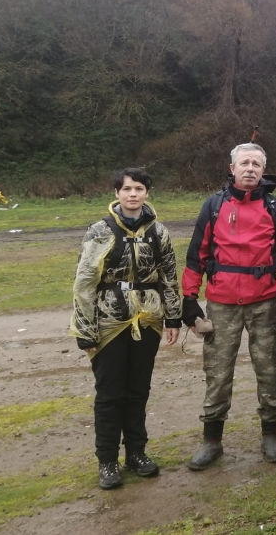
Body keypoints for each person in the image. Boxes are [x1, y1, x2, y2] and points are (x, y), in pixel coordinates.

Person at [182, 143, 276, 470]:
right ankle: (211, 442)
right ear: (231, 168)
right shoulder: (214, 206)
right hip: (221, 304)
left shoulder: (275, 208)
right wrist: (189, 300)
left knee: (269, 371)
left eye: (256, 164)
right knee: (217, 374)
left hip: (265, 304)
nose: (250, 169)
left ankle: (271, 435)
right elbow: (196, 255)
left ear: (264, 170)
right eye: (244, 163)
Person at [70, 167, 181, 489]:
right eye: (127, 189)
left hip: (148, 321)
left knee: (137, 391)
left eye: (139, 189)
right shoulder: (99, 232)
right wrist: (84, 329)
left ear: (147, 193)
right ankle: (107, 461)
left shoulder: (159, 232)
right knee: (109, 394)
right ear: (116, 193)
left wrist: (173, 317)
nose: (133, 194)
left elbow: (169, 276)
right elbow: (84, 283)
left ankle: (137, 453)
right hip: (108, 322)